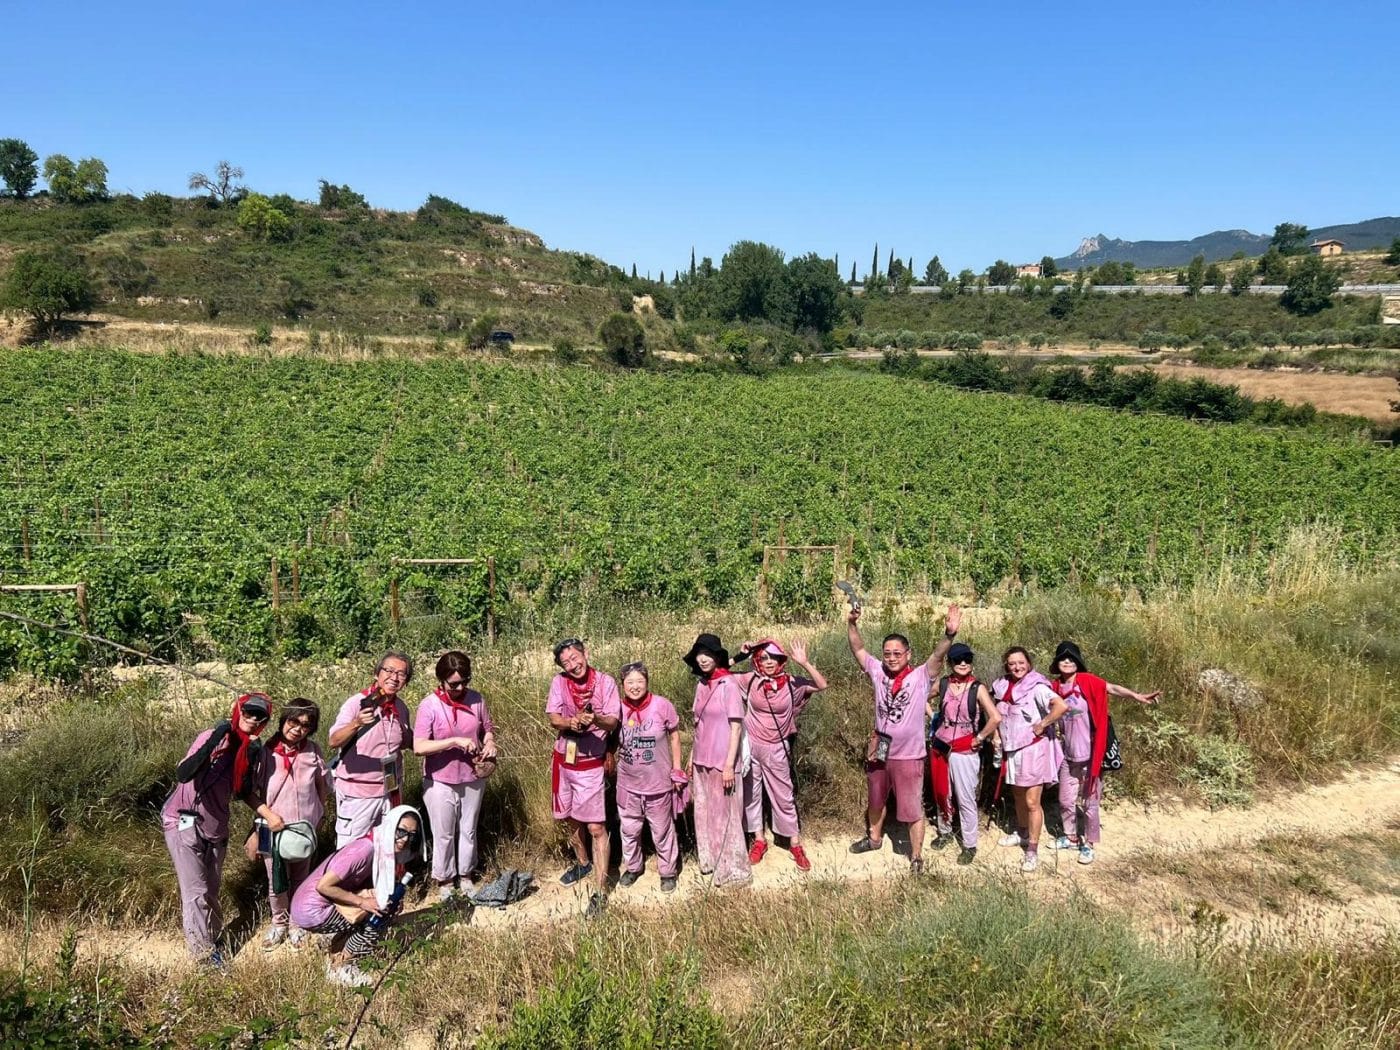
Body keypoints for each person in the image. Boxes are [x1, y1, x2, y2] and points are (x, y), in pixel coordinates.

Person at [846, 605, 960, 874]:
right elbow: (859, 650)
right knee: (876, 798)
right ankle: (874, 839)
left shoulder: (920, 676)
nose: (892, 658)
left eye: (897, 653)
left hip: (909, 754)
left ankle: (916, 856)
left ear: (908, 654)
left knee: (911, 806)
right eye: (887, 653)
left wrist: (949, 634)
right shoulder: (878, 672)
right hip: (881, 748)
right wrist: (852, 624)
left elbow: (937, 655)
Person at [161, 692, 271, 964]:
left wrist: (249, 755)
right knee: (195, 892)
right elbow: (185, 773)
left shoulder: (250, 750)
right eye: (247, 711)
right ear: (237, 709)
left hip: (215, 827)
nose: (252, 718)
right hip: (183, 821)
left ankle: (213, 936)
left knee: (210, 888)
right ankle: (204, 956)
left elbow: (240, 792)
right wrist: (218, 734)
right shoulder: (212, 736)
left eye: (259, 715)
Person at [1048, 640, 1160, 865]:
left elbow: (1112, 688)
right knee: (1066, 799)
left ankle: (1089, 844)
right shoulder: (1054, 687)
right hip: (1068, 755)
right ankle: (1070, 837)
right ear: (1057, 663)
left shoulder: (1087, 681)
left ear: (1078, 662)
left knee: (1090, 802)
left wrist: (1137, 696)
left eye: (1071, 658)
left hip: (1091, 753)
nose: (1067, 662)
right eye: (1062, 658)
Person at [290, 804, 425, 987]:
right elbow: (324, 886)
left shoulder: (379, 844)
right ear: (391, 826)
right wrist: (363, 903)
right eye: (400, 831)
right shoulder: (364, 850)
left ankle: (338, 947)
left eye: (411, 835)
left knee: (386, 902)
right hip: (312, 909)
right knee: (381, 912)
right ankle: (341, 966)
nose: (404, 839)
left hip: (321, 903)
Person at [732, 639, 827, 872]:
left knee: (783, 795)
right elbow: (717, 672)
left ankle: (794, 843)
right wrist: (740, 656)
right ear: (758, 661)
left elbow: (822, 685)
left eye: (773, 658)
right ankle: (759, 839)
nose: (768, 662)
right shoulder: (750, 679)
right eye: (763, 658)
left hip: (777, 747)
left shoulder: (792, 683)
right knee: (751, 794)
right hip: (752, 745)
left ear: (781, 660)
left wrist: (804, 663)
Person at [414, 650, 498, 900]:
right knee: (444, 832)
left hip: (472, 776)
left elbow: (487, 729)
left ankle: (466, 875)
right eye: (454, 684)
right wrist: (453, 742)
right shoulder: (429, 705)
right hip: (439, 779)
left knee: (469, 829)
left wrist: (490, 742)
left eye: (464, 681)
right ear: (441, 680)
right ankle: (445, 879)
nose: (460, 687)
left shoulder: (476, 699)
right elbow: (419, 746)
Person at [545, 638, 620, 916]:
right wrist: (571, 722)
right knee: (569, 816)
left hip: (591, 764)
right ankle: (582, 862)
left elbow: (612, 721)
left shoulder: (605, 682)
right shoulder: (558, 683)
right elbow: (553, 717)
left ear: (586, 653)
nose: (573, 665)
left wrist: (594, 720)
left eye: (576, 658)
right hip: (565, 758)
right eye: (566, 662)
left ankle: (600, 891)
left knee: (596, 827)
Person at [248, 698, 330, 949]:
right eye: (293, 721)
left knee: (301, 878)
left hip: (303, 828)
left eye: (306, 725)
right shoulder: (264, 752)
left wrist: (319, 815)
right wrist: (255, 832)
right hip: (271, 827)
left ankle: (297, 923)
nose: (298, 728)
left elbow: (322, 786)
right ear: (284, 720)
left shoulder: (312, 751)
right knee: (276, 880)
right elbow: (252, 793)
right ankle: (279, 923)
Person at [327, 651, 415, 847]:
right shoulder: (356, 703)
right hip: (358, 793)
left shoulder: (401, 708)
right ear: (377, 673)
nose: (394, 677)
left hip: (390, 791)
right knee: (351, 853)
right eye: (389, 671)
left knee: (385, 850)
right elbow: (333, 741)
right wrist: (356, 723)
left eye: (401, 674)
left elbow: (407, 742)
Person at [992, 647, 1068, 872]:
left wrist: (1042, 724)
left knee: (1032, 801)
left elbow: (1061, 706)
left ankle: (1032, 850)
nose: (1017, 667)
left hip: (1033, 749)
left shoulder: (1037, 686)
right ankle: (1023, 833)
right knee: (1017, 794)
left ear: (1029, 663)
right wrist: (996, 735)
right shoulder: (1003, 685)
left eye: (1021, 662)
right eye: (1012, 663)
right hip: (1012, 749)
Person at [685, 633, 751, 888]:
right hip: (702, 758)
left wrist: (728, 766)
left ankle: (734, 870)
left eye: (707, 654)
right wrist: (692, 757)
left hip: (722, 761)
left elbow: (736, 728)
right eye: (699, 655)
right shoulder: (702, 685)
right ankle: (711, 861)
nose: (702, 659)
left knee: (727, 815)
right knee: (704, 812)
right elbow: (697, 725)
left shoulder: (729, 685)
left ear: (717, 657)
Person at [614, 662, 685, 892]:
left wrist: (676, 770)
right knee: (629, 829)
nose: (635, 687)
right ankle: (633, 867)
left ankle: (668, 872)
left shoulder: (662, 705)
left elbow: (674, 737)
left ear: (647, 682)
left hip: (658, 783)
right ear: (622, 684)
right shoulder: (616, 709)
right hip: (628, 784)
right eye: (630, 682)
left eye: (640, 681)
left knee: (662, 829)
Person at [929, 643, 1001, 865]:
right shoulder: (942, 684)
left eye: (967, 660)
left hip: (964, 747)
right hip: (941, 744)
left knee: (965, 796)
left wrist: (980, 738)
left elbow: (995, 717)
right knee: (942, 791)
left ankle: (970, 844)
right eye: (958, 660)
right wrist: (933, 718)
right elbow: (921, 697)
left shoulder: (977, 688)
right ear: (950, 663)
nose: (963, 664)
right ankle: (946, 831)